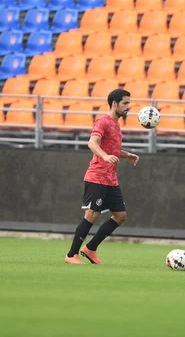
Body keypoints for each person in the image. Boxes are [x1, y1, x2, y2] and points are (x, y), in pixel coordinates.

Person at [65, 89, 139, 265]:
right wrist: (104, 157)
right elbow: (92, 142)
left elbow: (112, 149)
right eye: (125, 103)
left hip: (111, 179)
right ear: (114, 104)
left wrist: (127, 155)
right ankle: (71, 255)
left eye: (129, 103)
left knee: (120, 216)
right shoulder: (103, 121)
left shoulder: (116, 125)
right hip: (97, 176)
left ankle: (90, 249)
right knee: (91, 215)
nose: (129, 107)